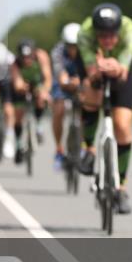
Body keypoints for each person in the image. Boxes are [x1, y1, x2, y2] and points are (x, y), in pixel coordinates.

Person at [76, 3, 132, 215]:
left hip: (122, 67)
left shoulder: (130, 32)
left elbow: (123, 70)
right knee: (90, 93)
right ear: (95, 32)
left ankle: (121, 188)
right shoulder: (84, 34)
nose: (107, 40)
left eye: (112, 35)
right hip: (95, 64)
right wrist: (96, 71)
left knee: (122, 125)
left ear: (119, 31)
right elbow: (90, 71)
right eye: (102, 35)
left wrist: (117, 67)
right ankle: (89, 149)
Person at [9, 39, 53, 163]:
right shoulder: (15, 64)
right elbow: (17, 82)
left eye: (29, 57)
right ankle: (18, 145)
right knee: (18, 114)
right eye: (24, 58)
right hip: (22, 86)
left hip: (37, 83)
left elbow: (47, 76)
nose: (27, 60)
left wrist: (44, 91)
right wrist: (22, 86)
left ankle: (39, 125)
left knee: (41, 97)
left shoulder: (42, 56)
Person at [50, 23, 84, 171]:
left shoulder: (86, 50)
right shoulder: (57, 52)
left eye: (76, 45)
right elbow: (61, 76)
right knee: (59, 110)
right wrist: (68, 81)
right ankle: (59, 150)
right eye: (70, 45)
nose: (73, 49)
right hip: (63, 84)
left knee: (87, 108)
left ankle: (83, 146)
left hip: (81, 82)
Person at [0, 42, 16, 159]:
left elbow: (16, 75)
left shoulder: (11, 59)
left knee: (8, 110)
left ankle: (9, 138)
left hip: (6, 83)